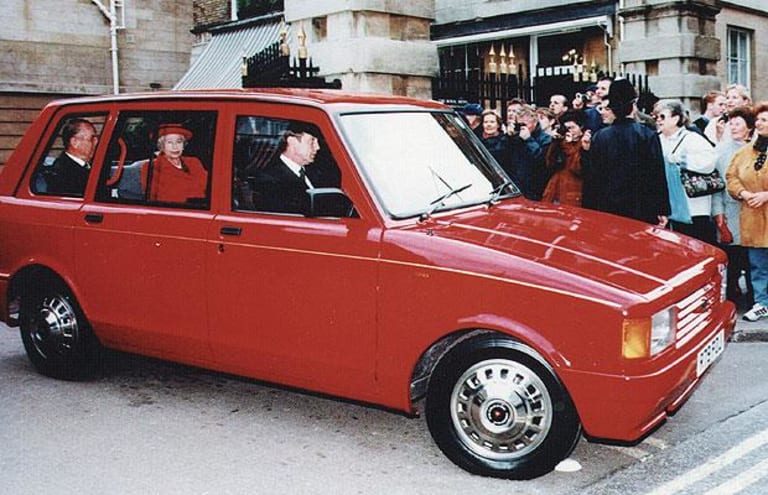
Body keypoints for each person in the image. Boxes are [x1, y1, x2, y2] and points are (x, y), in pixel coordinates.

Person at [582, 78, 670, 225]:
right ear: (633, 106)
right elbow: (656, 174)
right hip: (641, 207)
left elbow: (592, 177)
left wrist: (590, 209)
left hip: (608, 207)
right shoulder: (647, 134)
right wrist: (662, 209)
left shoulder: (600, 136)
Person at [726, 102, 768, 321]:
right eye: (758, 120)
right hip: (753, 218)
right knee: (757, 265)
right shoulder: (745, 153)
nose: (759, 123)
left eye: (764, 120)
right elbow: (731, 177)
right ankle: (761, 303)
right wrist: (743, 193)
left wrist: (765, 195)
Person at [654, 99, 717, 244]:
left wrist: (681, 160)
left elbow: (709, 163)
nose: (658, 120)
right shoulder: (656, 139)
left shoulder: (693, 139)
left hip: (693, 206)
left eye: (662, 116)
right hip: (667, 206)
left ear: (676, 118)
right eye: (656, 116)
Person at [713, 106, 755, 307]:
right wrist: (719, 216)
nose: (733, 127)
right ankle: (731, 300)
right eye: (731, 123)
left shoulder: (759, 146)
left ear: (749, 126)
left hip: (756, 211)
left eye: (738, 123)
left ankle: (755, 300)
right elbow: (717, 186)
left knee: (755, 260)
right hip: (731, 211)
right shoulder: (721, 150)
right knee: (733, 260)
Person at [251, 124, 323, 214]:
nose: (317, 147)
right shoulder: (270, 179)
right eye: (312, 141)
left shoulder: (317, 172)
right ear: (292, 141)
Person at [139, 124, 208, 204]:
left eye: (179, 142)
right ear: (161, 146)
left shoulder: (194, 162)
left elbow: (209, 186)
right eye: (169, 142)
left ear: (183, 145)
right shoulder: (151, 167)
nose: (175, 147)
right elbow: (158, 198)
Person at [542, 110, 589, 207]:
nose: (569, 131)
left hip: (573, 191)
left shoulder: (585, 143)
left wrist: (569, 145)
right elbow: (550, 163)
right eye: (566, 128)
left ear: (581, 127)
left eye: (571, 127)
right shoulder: (561, 142)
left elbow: (577, 168)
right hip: (554, 190)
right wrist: (555, 143)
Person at [506, 104, 553, 200]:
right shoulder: (516, 137)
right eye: (519, 124)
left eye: (525, 124)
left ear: (535, 122)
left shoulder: (546, 139)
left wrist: (529, 140)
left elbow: (543, 161)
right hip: (518, 186)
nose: (522, 127)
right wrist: (508, 137)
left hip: (536, 188)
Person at [42, 118, 98, 196]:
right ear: (74, 142)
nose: (96, 142)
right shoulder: (62, 174)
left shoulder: (92, 166)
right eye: (92, 139)